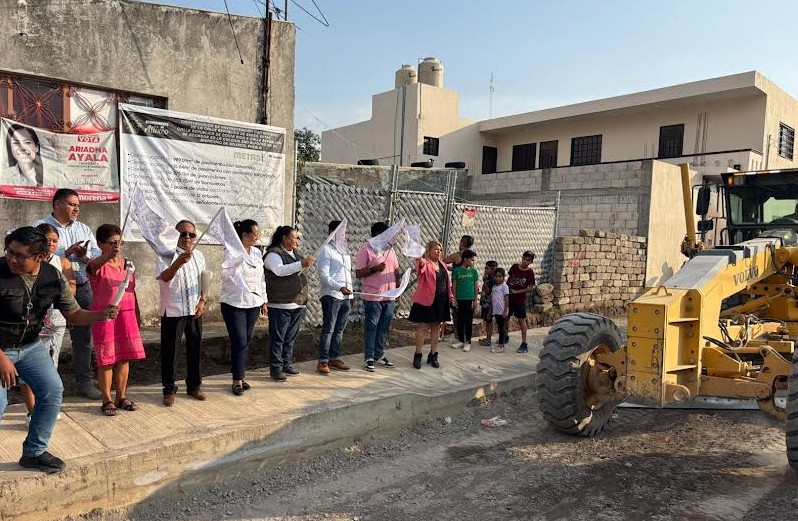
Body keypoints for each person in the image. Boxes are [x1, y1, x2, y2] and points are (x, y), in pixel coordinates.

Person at [0, 227, 119, 473]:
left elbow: (74, 314)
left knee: (52, 391)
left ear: (40, 257)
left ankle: (34, 453)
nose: (12, 259)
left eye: (20, 256)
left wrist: (102, 315)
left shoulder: (53, 276)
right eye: (10, 252)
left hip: (30, 347)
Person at [33, 188, 103, 400]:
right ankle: (40, 384)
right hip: (48, 291)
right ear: (57, 204)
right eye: (72, 204)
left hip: (80, 287)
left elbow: (97, 256)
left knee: (83, 339)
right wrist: (66, 253)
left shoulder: (83, 228)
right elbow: (33, 254)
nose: (76, 208)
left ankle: (84, 382)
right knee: (43, 337)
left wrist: (84, 255)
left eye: (78, 205)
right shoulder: (39, 227)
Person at [19, 223, 76, 426]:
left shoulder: (62, 262)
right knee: (27, 365)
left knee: (50, 364)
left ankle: (47, 406)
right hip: (33, 320)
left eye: (54, 240)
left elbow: (71, 289)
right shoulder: (27, 262)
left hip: (56, 319)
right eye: (47, 240)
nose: (51, 244)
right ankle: (31, 410)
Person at [87, 224, 145, 416]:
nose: (116, 246)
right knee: (107, 359)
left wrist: (137, 312)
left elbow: (131, 290)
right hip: (105, 317)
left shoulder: (127, 264)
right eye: (112, 243)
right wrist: (109, 256)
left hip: (126, 315)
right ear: (100, 244)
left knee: (124, 358)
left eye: (119, 242)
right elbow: (93, 268)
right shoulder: (96, 264)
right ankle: (107, 399)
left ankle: (121, 396)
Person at [156, 220, 207, 406]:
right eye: (183, 234)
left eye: (191, 234)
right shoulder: (166, 255)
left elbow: (204, 279)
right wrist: (177, 263)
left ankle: (194, 386)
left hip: (194, 309)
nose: (187, 238)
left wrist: (203, 300)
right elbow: (164, 278)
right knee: (170, 352)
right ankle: (169, 390)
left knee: (195, 349)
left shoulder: (199, 255)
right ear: (174, 236)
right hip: (173, 310)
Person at [221, 219, 267, 395]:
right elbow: (226, 275)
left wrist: (264, 299)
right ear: (244, 235)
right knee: (239, 340)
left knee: (245, 340)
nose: (257, 238)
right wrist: (238, 260)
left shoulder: (256, 253)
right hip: (234, 302)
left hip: (253, 303)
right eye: (254, 234)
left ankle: (239, 373)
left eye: (257, 234)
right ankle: (237, 380)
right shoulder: (231, 252)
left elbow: (261, 278)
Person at [264, 226, 314, 382]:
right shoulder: (273, 254)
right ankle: (276, 367)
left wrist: (305, 264)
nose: (297, 240)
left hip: (297, 302)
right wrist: (301, 264)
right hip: (281, 303)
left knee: (290, 336)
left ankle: (286, 362)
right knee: (278, 337)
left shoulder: (297, 253)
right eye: (294, 237)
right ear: (284, 238)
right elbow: (279, 270)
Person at [355, 222, 401, 372]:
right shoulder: (366, 250)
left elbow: (395, 270)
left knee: (383, 327)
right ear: (377, 234)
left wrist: (398, 288)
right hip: (373, 296)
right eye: (386, 234)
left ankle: (379, 354)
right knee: (372, 327)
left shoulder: (390, 250)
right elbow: (358, 273)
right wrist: (374, 269)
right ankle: (369, 356)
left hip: (390, 296)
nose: (389, 237)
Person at [408, 240, 454, 369]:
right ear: (428, 251)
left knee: (436, 328)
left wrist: (450, 297)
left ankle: (433, 355)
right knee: (423, 328)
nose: (438, 252)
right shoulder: (425, 263)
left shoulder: (443, 265)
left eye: (440, 250)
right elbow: (419, 267)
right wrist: (420, 259)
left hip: (441, 301)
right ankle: (418, 355)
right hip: (426, 301)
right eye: (435, 249)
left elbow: (446, 283)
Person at [316, 220, 353, 375]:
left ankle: (335, 358)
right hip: (331, 295)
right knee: (329, 329)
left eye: (345, 232)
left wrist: (350, 294)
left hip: (345, 297)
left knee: (339, 329)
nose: (344, 235)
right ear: (333, 232)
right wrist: (339, 287)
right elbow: (324, 276)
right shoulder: (326, 250)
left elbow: (347, 274)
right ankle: (323, 361)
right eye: (341, 232)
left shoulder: (345, 251)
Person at [443, 235, 474, 343]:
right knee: (467, 315)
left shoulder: (456, 256)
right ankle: (465, 337)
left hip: (457, 289)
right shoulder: (471, 257)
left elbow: (443, 261)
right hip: (468, 290)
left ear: (462, 243)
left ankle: (458, 336)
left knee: (457, 313)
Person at [507, 251, 536, 353]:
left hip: (520, 300)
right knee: (506, 317)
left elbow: (530, 288)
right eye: (524, 258)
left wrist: (517, 291)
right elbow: (509, 280)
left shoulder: (529, 273)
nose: (525, 261)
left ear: (531, 262)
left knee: (521, 320)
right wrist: (506, 291)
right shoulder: (515, 267)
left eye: (528, 260)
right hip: (509, 298)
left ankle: (524, 343)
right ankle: (505, 336)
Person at [451, 249, 479, 352]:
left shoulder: (474, 271)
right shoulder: (457, 271)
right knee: (459, 321)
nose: (473, 262)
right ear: (465, 259)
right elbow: (454, 285)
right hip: (459, 300)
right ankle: (461, 340)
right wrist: (454, 298)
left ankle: (468, 342)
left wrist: (475, 300)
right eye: (472, 260)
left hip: (469, 300)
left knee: (468, 321)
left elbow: (476, 287)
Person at [478, 260, 498, 347]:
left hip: (489, 304)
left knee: (489, 321)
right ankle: (487, 338)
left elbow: (488, 291)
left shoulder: (492, 280)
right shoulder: (489, 278)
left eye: (487, 268)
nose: (485, 270)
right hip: (485, 303)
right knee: (486, 321)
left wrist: (485, 281)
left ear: (492, 269)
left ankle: (489, 339)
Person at [490, 267, 510, 354]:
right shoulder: (494, 287)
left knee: (502, 329)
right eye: (496, 276)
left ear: (503, 277)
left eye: (500, 276)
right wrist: (490, 311)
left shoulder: (504, 286)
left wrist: (505, 311)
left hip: (502, 311)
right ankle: (500, 343)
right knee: (499, 328)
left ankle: (501, 346)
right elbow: (493, 300)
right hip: (496, 311)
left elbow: (506, 299)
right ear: (493, 277)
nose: (498, 278)